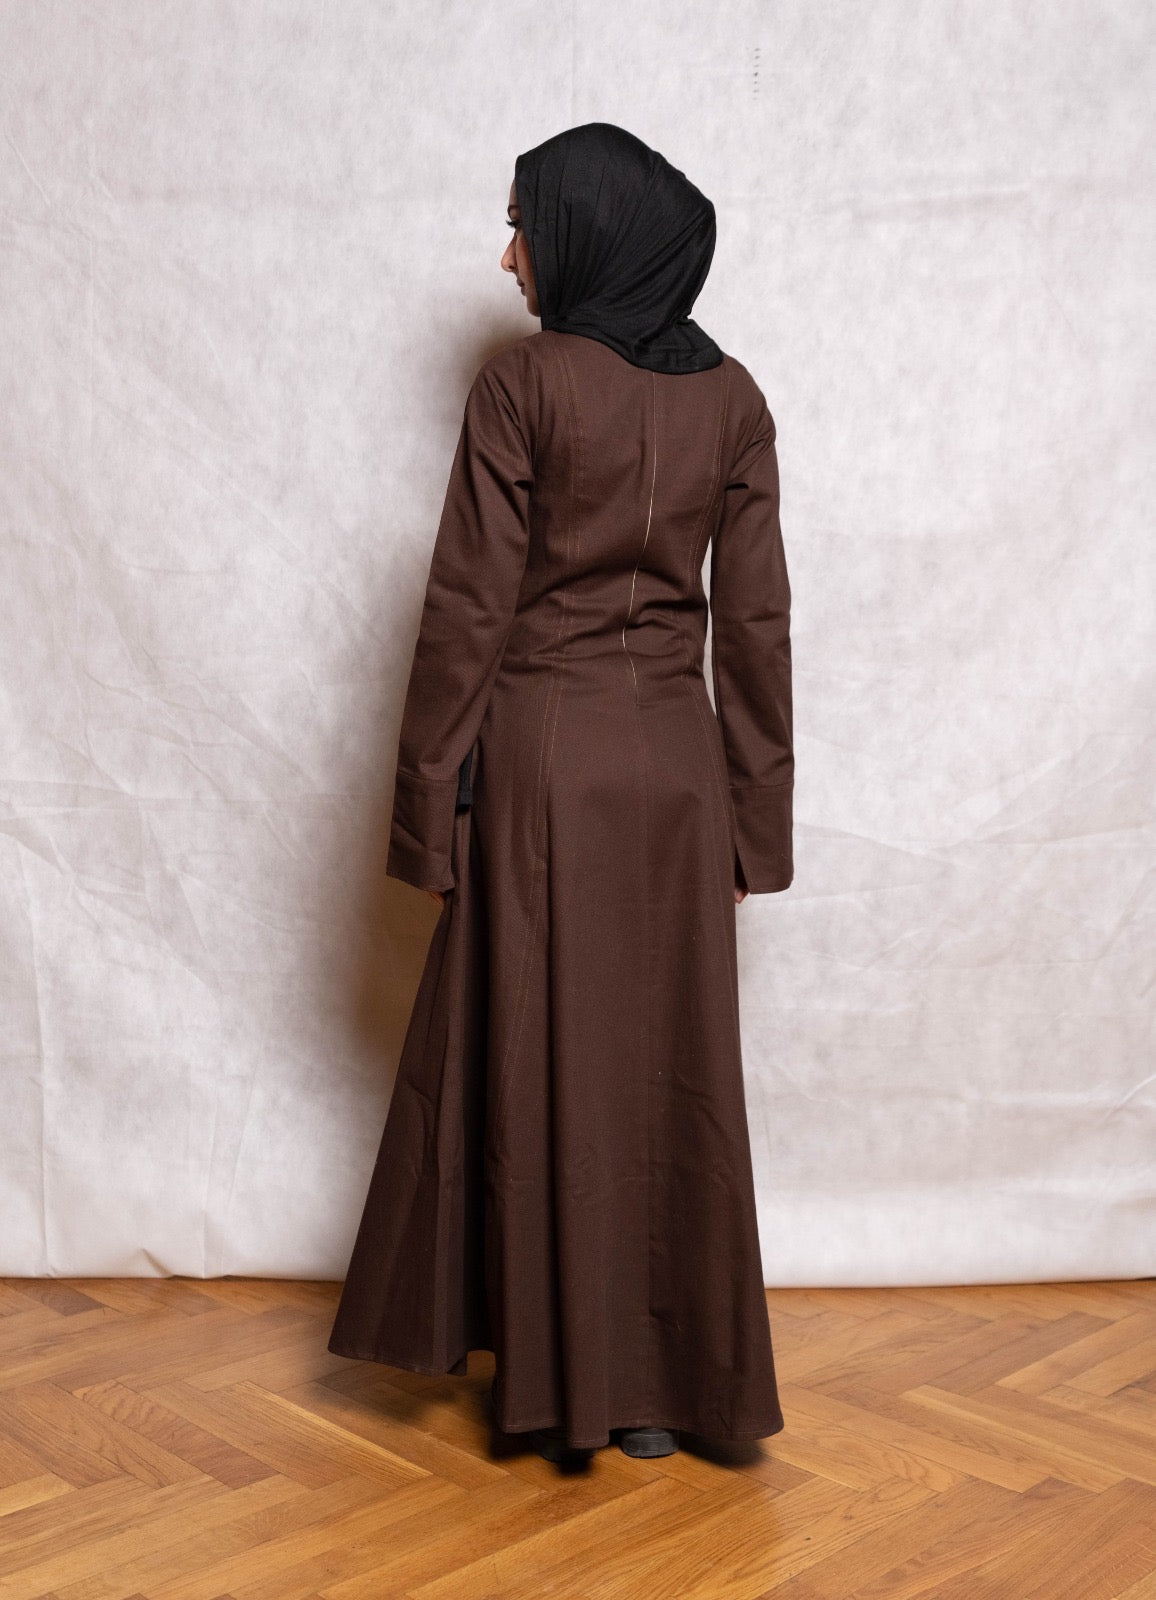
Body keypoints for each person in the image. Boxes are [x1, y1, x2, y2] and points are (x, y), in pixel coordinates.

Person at [328, 122, 793, 1466]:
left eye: (521, 224)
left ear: (587, 232)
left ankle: (560, 1388)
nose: (510, 257)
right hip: (680, 780)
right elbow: (755, 628)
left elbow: (466, 613)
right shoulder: (736, 403)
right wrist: (754, 822)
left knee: (546, 1066)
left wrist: (429, 812)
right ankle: (658, 1396)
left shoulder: (524, 387)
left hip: (541, 766)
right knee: (669, 1077)